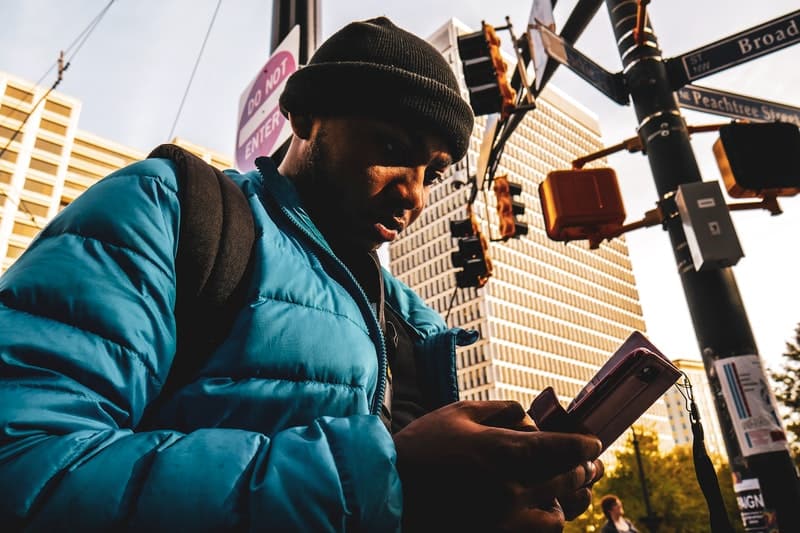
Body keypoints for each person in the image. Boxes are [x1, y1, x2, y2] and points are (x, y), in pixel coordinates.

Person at [0, 16, 604, 532]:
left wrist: (494, 497)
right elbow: (26, 464)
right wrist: (384, 479)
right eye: (391, 147)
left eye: (435, 171)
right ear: (305, 116)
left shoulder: (415, 324)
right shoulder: (171, 208)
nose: (414, 195)